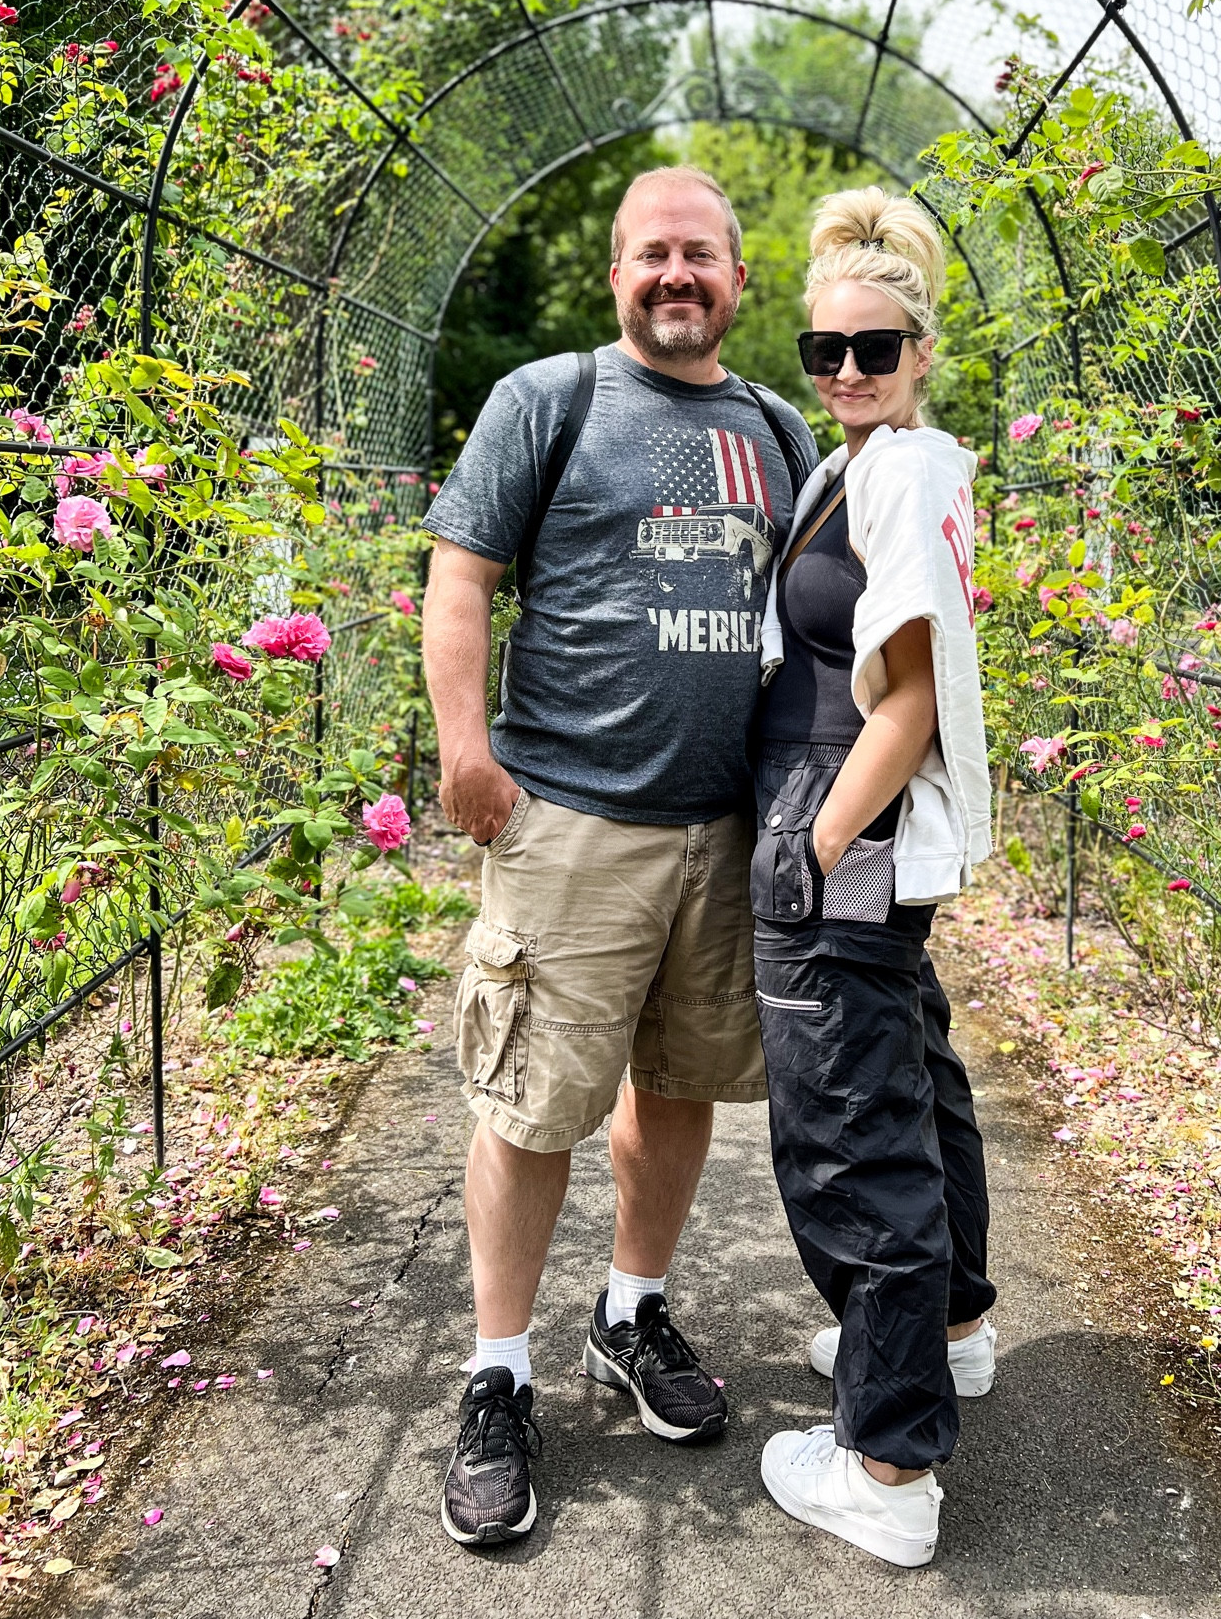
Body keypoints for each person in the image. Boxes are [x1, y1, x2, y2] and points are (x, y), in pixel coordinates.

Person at [420, 163, 816, 1549]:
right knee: (531, 1105)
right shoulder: (551, 400)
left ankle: (631, 1311)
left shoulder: (778, 429)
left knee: (683, 1081)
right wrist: (466, 752)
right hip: (573, 823)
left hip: (724, 827)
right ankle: (498, 1374)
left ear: (738, 279)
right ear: (617, 275)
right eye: (652, 254)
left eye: (699, 254)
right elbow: (461, 574)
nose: (676, 276)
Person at [750, 188, 997, 1569]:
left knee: (851, 1127)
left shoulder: (892, 473)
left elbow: (902, 700)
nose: (846, 369)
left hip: (843, 819)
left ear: (920, 354)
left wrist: (813, 846)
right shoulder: (897, 465)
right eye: (824, 348)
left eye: (875, 348)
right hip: (865, 826)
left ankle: (888, 1467)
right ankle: (942, 1334)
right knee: (911, 1072)